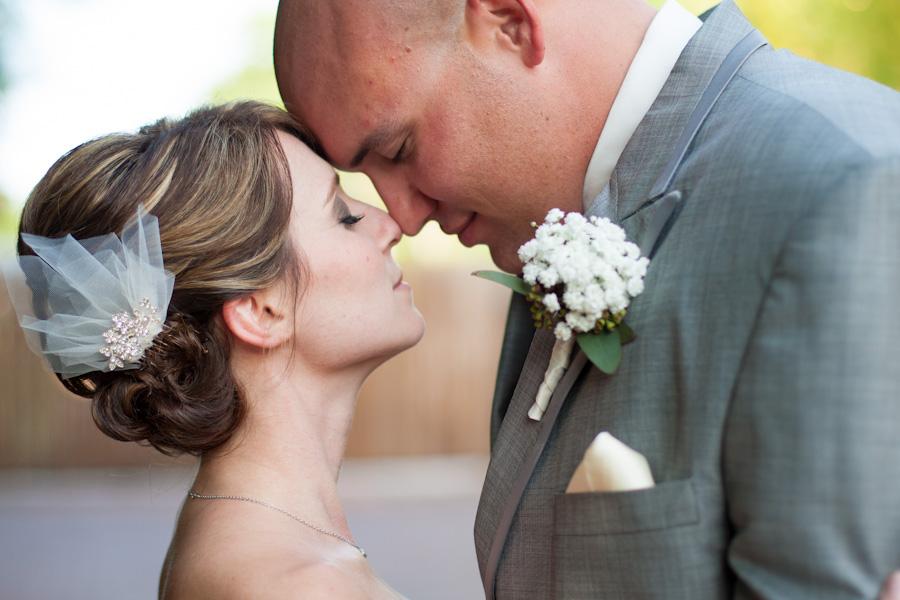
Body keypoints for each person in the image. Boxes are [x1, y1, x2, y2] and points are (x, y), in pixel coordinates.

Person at [273, 0, 900, 598]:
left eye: (396, 150)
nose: (402, 217)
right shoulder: (550, 222)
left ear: (512, 21)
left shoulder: (843, 192)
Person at [6, 101, 423, 599]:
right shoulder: (298, 587)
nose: (392, 225)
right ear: (258, 310)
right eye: (345, 215)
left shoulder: (248, 538)